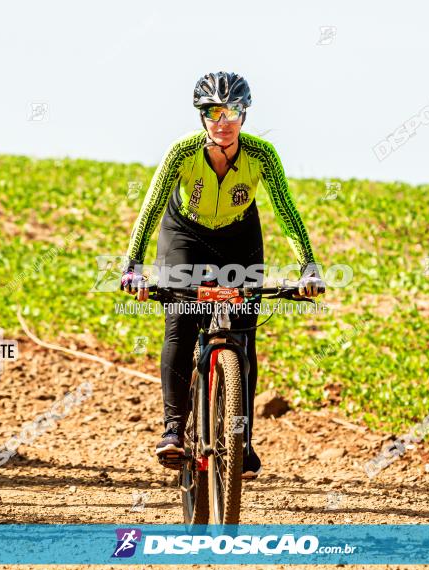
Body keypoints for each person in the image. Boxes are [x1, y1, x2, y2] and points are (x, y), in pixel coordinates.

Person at [121, 71, 324, 479]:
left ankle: (241, 439)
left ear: (244, 115)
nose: (223, 121)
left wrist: (309, 265)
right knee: (180, 326)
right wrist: (133, 266)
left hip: (239, 237)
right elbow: (152, 205)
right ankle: (174, 430)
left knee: (244, 337)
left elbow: (286, 211)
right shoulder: (182, 152)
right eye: (214, 112)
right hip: (185, 234)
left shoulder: (261, 154)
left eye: (232, 111)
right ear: (202, 116)